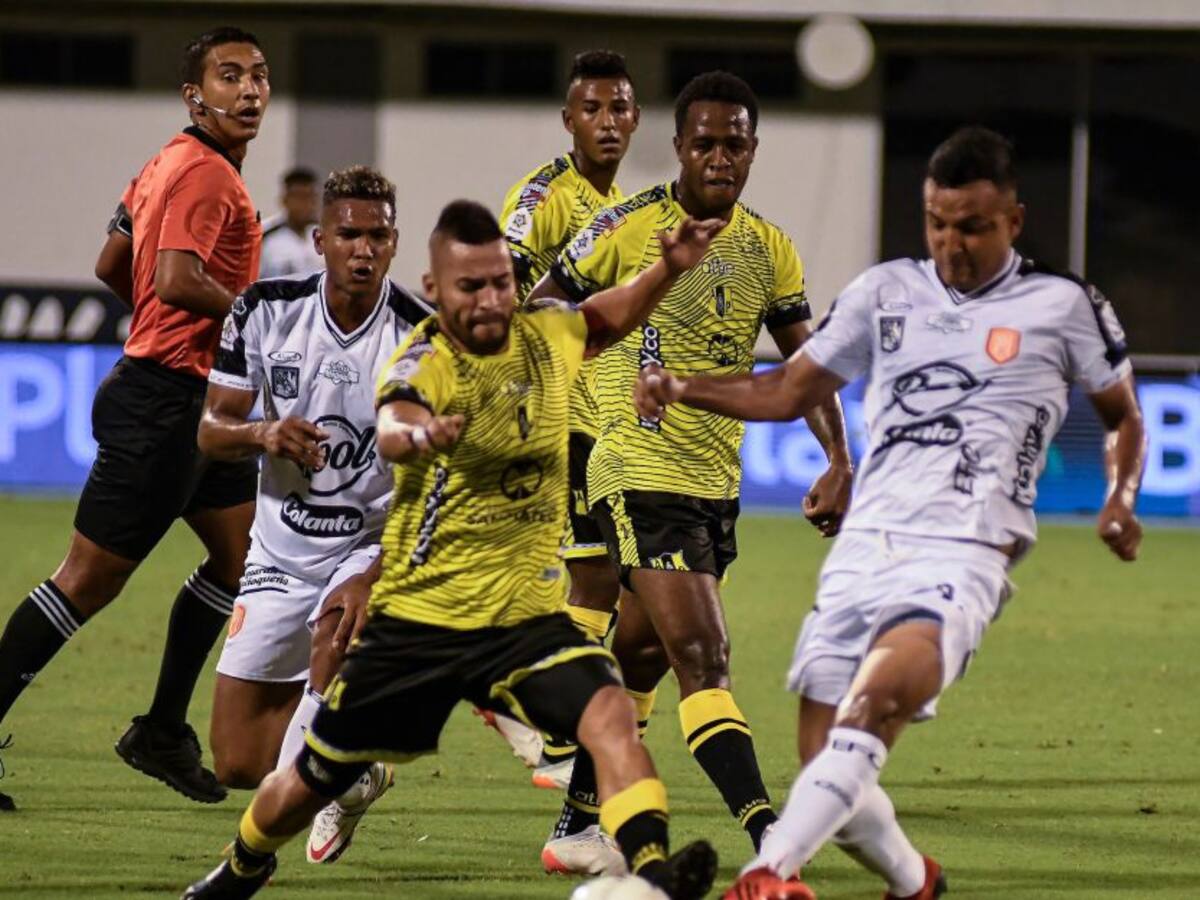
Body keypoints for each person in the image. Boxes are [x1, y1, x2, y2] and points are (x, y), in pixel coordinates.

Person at [634, 127, 1147, 900]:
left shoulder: (1062, 305)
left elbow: (1125, 417)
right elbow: (786, 390)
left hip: (968, 547)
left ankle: (767, 872)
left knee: (869, 711)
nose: (952, 243)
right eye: (938, 223)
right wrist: (683, 385)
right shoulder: (886, 291)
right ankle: (916, 883)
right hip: (865, 547)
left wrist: (1120, 498)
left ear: (1013, 219)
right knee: (825, 770)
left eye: (972, 226)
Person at [181, 200, 725, 900]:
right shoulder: (425, 358)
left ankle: (651, 878)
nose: (492, 299)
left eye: (501, 281)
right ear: (436, 290)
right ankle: (244, 865)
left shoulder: (548, 334)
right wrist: (419, 437)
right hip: (420, 625)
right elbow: (394, 423)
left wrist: (668, 269)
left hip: (521, 620)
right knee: (309, 781)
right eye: (472, 286)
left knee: (610, 711)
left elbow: (609, 315)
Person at [531, 70, 854, 870]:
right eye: (704, 142)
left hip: (713, 482)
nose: (720, 156)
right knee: (704, 658)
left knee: (639, 658)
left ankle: (576, 827)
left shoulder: (768, 247)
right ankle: (771, 842)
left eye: (735, 143)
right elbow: (540, 310)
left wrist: (842, 457)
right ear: (676, 147)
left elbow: (804, 366)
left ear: (752, 150)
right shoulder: (625, 225)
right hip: (633, 468)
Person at [0, 26, 269, 808]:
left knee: (239, 555)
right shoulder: (207, 176)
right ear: (196, 95)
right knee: (87, 582)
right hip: (165, 402)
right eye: (229, 76)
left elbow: (113, 265)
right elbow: (178, 278)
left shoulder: (165, 162)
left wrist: (168, 324)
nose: (249, 90)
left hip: (192, 393)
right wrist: (254, 325)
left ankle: (159, 730)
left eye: (258, 75)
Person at [199, 166, 432, 862]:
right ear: (319, 239)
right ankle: (354, 767)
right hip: (278, 550)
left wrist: (377, 571)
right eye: (350, 235)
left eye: (380, 236)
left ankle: (253, 854)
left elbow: (439, 486)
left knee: (339, 630)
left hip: (369, 542)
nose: (365, 250)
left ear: (395, 243)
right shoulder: (264, 310)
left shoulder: (424, 338)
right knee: (238, 763)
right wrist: (262, 434)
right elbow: (212, 429)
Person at [490, 48, 640, 791]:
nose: (607, 123)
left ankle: (531, 703)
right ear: (568, 119)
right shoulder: (546, 196)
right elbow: (503, 291)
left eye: (619, 109)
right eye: (593, 109)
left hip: (594, 422)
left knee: (588, 580)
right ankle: (533, 704)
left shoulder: (620, 206)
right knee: (594, 579)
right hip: (550, 420)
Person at [259, 167, 324, 278]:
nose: (307, 204)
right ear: (285, 200)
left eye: (311, 197)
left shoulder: (322, 236)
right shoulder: (265, 236)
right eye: (300, 197)